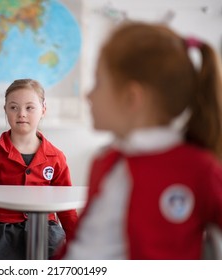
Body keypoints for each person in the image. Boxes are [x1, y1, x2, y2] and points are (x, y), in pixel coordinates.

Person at [58, 21, 222, 260]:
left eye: (99, 81)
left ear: (132, 98)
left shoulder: (199, 169)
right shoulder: (105, 161)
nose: (88, 94)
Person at [0, 79, 78, 260]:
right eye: (14, 107)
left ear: (43, 110)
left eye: (30, 108)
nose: (21, 114)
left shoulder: (56, 157)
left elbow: (66, 208)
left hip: (44, 229)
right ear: (5, 110)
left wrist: (77, 245)